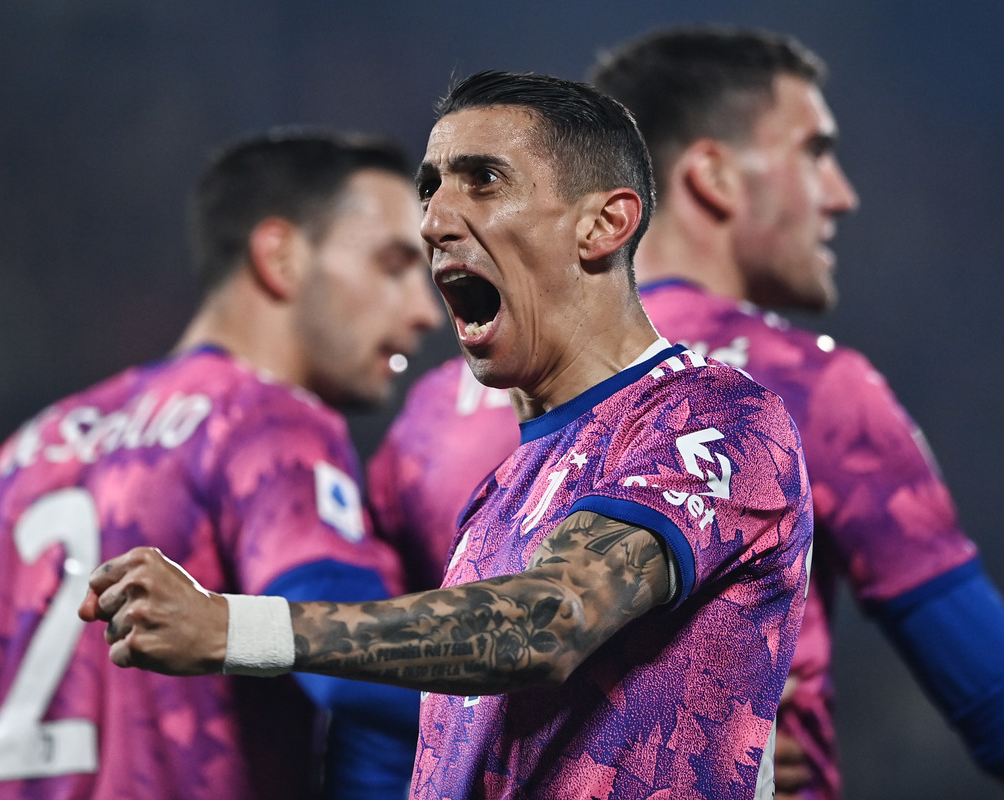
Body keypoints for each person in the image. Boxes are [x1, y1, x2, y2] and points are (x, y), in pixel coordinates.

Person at [366, 26, 1004, 800]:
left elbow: (382, 711)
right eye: (813, 152)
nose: (839, 193)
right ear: (711, 174)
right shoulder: (804, 390)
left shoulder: (431, 416)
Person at [77, 70, 815, 800]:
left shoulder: (717, 417)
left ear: (604, 224)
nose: (432, 221)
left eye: (483, 181)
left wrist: (232, 627)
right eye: (431, 187)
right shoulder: (497, 498)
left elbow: (544, 624)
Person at [0, 128, 443, 799]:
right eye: (394, 265)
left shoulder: (26, 453)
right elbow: (356, 672)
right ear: (281, 257)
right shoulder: (265, 423)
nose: (425, 311)